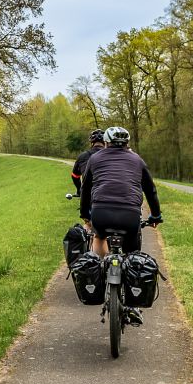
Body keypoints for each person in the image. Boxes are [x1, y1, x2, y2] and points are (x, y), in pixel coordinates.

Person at [79, 126, 163, 326]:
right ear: (127, 144)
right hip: (130, 215)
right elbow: (150, 190)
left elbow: (85, 189)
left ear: (106, 143)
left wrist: (86, 216)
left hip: (101, 213)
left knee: (99, 237)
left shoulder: (95, 159)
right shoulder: (137, 160)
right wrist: (156, 216)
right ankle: (132, 305)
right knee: (132, 252)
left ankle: (100, 274)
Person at [70, 129, 105, 196]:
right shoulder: (112, 156)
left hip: (88, 195)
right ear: (105, 142)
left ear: (92, 143)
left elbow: (75, 176)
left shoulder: (82, 156)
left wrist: (79, 190)